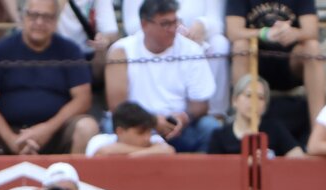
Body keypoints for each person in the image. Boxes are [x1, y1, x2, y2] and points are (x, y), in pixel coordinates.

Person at [0, 0, 99, 156]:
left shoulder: (70, 51)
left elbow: (83, 99)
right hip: (8, 132)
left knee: (87, 128)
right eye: (34, 15)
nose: (39, 22)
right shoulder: (1, 50)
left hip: (57, 131)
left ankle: (69, 173)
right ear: (23, 17)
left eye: (46, 17)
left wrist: (47, 129)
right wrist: (11, 139)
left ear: (55, 21)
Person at [106, 0, 219, 154]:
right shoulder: (121, 51)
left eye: (175, 22)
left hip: (178, 127)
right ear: (145, 24)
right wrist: (151, 121)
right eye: (165, 24)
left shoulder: (191, 50)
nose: (172, 29)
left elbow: (201, 104)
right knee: (111, 126)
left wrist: (184, 118)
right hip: (136, 125)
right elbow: (117, 106)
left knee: (210, 127)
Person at [226, 0, 325, 130]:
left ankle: (319, 130)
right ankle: (242, 128)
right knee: (240, 46)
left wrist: (295, 33)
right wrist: (265, 33)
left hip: (291, 61)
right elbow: (233, 32)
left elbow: (312, 31)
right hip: (254, 60)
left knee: (313, 47)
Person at [124, 1, 231, 114]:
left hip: (198, 40)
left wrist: (203, 25)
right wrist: (168, 28)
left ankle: (216, 112)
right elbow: (131, 25)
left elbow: (217, 22)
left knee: (220, 44)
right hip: (151, 41)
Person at [207, 73, 303, 157]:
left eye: (260, 98)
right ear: (234, 100)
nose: (254, 102)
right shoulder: (220, 136)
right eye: (249, 95)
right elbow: (213, 167)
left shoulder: (275, 129)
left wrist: (271, 159)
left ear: (265, 105)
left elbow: (298, 157)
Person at [84, 99, 174, 156]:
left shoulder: (155, 139)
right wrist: (149, 151)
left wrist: (136, 153)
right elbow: (103, 152)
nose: (147, 138)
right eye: (140, 133)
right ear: (120, 132)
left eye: (149, 132)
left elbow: (169, 150)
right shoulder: (100, 140)